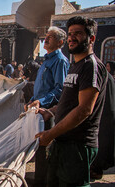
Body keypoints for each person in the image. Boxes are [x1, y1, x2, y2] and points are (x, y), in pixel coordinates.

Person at [35, 16, 108, 187]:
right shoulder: (75, 64)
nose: (71, 37)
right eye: (70, 33)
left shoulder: (91, 66)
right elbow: (68, 101)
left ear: (91, 39)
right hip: (63, 141)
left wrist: (50, 134)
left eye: (78, 34)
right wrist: (50, 112)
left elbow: (84, 110)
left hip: (78, 145)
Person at [24, 26, 69, 185]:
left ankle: (42, 181)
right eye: (47, 36)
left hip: (48, 111)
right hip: (38, 108)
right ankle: (39, 177)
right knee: (37, 144)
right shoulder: (46, 59)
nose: (46, 39)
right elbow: (42, 85)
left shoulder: (60, 61)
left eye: (50, 37)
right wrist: (33, 100)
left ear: (60, 42)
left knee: (44, 146)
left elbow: (59, 89)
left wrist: (41, 102)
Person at [90, 62, 115, 179]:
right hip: (106, 113)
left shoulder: (100, 74)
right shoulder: (106, 76)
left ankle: (96, 169)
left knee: (101, 143)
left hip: (103, 114)